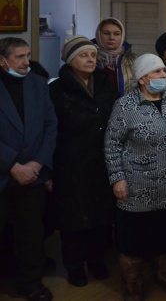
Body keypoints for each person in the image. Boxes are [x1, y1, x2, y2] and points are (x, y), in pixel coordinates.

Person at [104, 54, 166, 300]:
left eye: (163, 70)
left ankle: (163, 274)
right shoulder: (125, 106)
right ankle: (132, 285)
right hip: (136, 188)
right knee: (133, 243)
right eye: (157, 71)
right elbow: (112, 144)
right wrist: (117, 178)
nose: (163, 75)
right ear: (142, 78)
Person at [49, 36, 117, 287]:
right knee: (73, 219)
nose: (90, 59)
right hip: (70, 163)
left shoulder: (105, 84)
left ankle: (97, 260)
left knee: (100, 216)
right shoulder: (57, 90)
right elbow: (50, 131)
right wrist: (50, 171)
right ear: (70, 60)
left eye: (93, 55)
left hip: (101, 161)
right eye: (83, 55)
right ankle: (74, 266)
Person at [0, 37, 56, 301]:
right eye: (19, 57)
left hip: (33, 173)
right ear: (3, 60)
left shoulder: (38, 84)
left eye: (28, 55)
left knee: (31, 234)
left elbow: (50, 125)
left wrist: (37, 163)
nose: (26, 62)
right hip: (4, 172)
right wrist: (12, 165)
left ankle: (30, 283)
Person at [92, 18, 137, 97]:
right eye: (106, 33)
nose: (111, 37)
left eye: (116, 34)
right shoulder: (90, 59)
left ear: (122, 36)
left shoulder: (133, 60)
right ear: (98, 35)